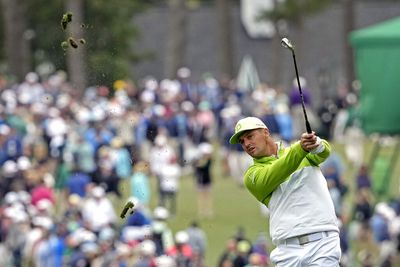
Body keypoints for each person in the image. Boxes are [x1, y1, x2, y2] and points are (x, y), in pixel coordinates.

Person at [229, 116, 341, 266]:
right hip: (286, 251)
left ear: (266, 132)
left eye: (250, 136)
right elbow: (278, 171)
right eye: (242, 141)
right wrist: (300, 148)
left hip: (322, 243)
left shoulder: (300, 151)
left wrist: (316, 143)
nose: (247, 144)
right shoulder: (251, 175)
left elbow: (324, 152)